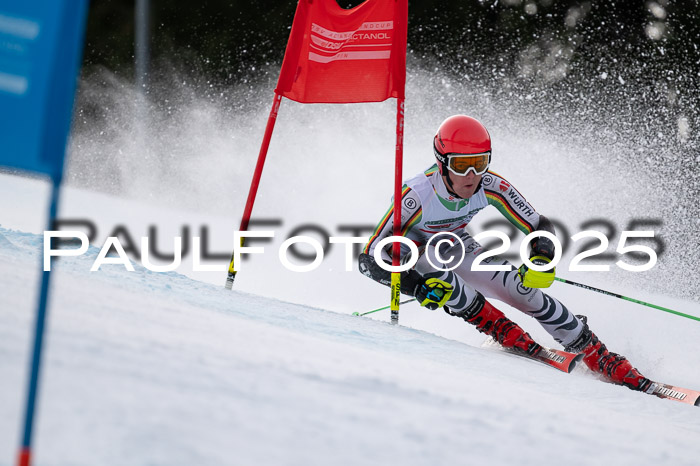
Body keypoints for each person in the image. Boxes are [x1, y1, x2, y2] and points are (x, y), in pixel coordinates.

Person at [359, 114, 653, 392]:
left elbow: (538, 225)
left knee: (522, 289)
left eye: (480, 162)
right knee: (447, 284)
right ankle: (503, 331)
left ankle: (595, 353)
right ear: (442, 163)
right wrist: (417, 286)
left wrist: (540, 258)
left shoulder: (490, 185)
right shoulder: (416, 196)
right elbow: (369, 259)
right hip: (416, 252)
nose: (472, 175)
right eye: (462, 165)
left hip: (453, 243)